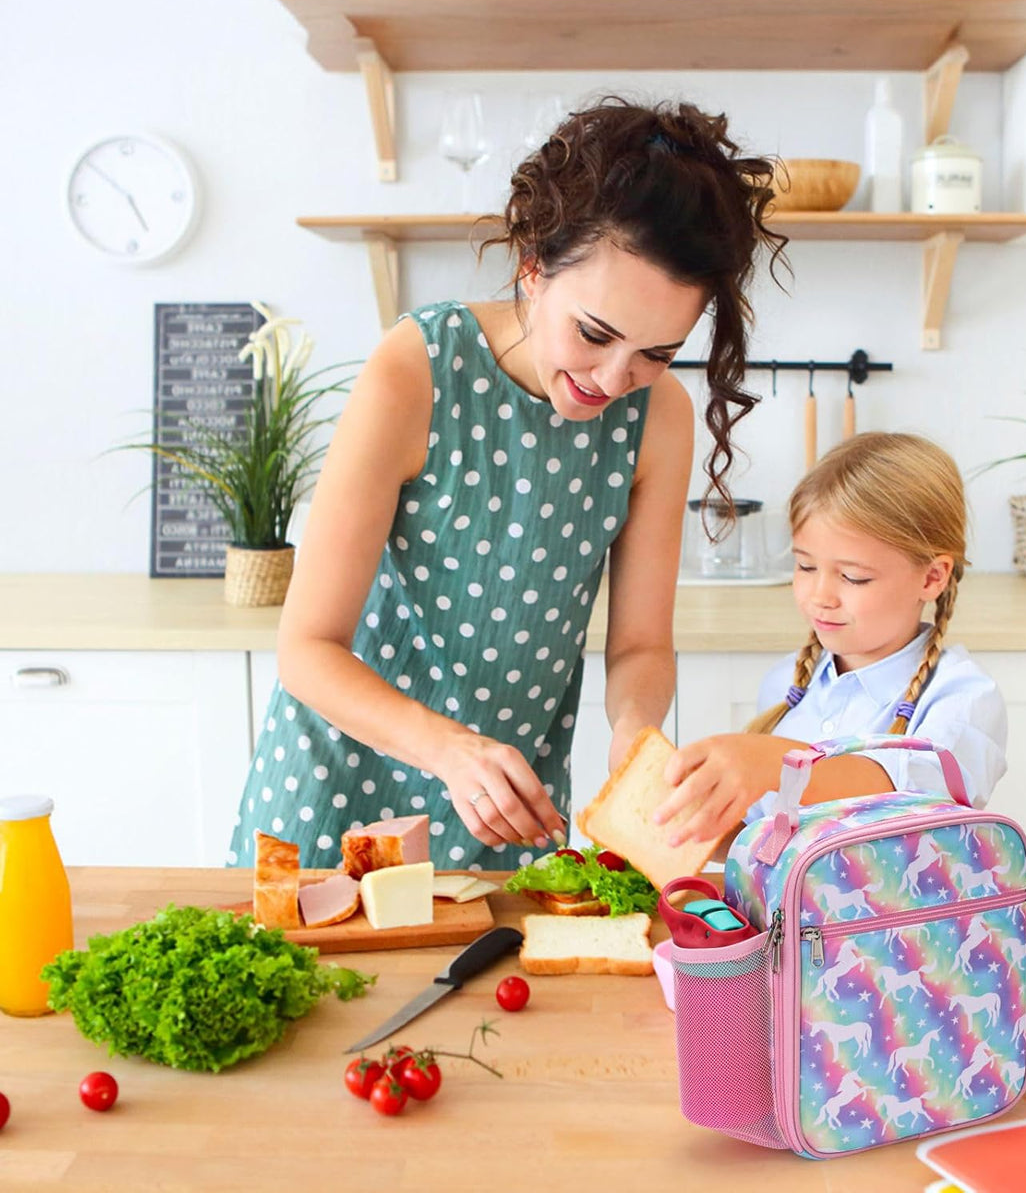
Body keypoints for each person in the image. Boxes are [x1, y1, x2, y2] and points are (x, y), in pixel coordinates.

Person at [228, 96, 786, 871]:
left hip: (506, 814)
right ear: (532, 267)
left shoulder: (658, 417)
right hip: (336, 794)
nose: (614, 378)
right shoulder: (417, 369)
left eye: (657, 352)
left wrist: (634, 737)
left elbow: (640, 644)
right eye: (594, 333)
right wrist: (451, 752)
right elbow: (306, 649)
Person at [654, 431, 1007, 848]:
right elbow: (763, 838)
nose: (819, 597)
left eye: (853, 576)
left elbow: (910, 803)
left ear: (932, 577)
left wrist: (771, 763)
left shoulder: (964, 698)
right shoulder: (786, 683)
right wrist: (686, 822)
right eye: (804, 566)